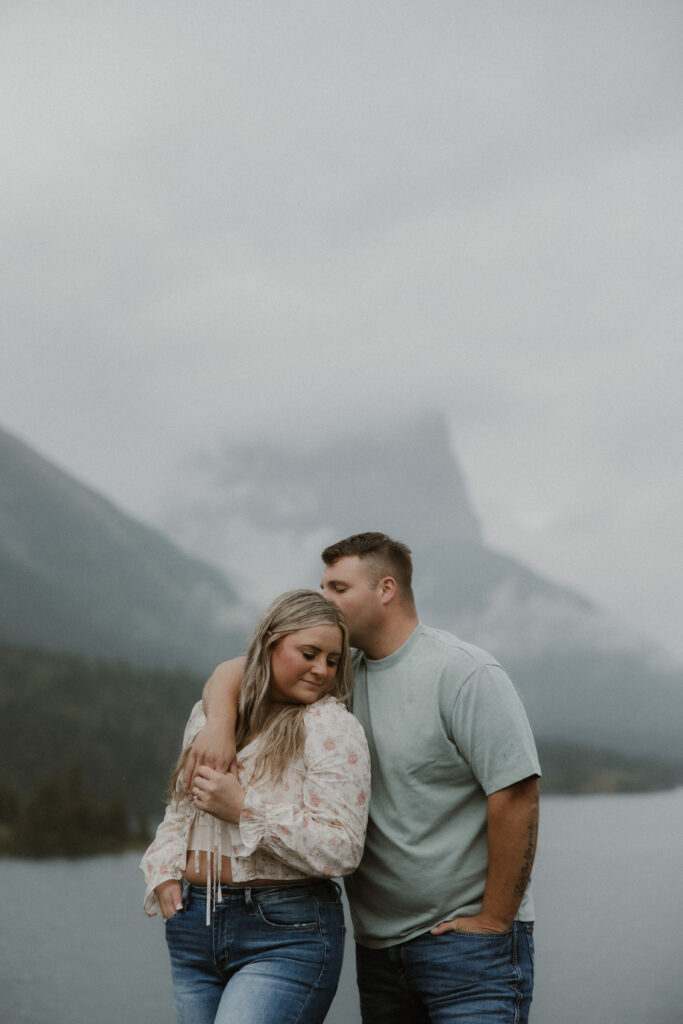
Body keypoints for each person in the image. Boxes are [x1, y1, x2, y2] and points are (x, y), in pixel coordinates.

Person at [189, 533, 541, 1024]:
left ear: (386, 589)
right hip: (379, 951)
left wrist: (495, 920)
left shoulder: (464, 673)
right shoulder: (336, 671)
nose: (323, 600)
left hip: (466, 950)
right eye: (321, 587)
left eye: (338, 588)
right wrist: (221, 724)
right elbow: (238, 670)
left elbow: (517, 794)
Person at [140, 589, 371, 1024]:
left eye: (333, 660)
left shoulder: (330, 726)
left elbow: (343, 847)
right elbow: (180, 807)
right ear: (270, 642)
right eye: (309, 653)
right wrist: (164, 870)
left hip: (285, 933)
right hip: (193, 929)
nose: (322, 670)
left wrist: (243, 808)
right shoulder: (213, 714)